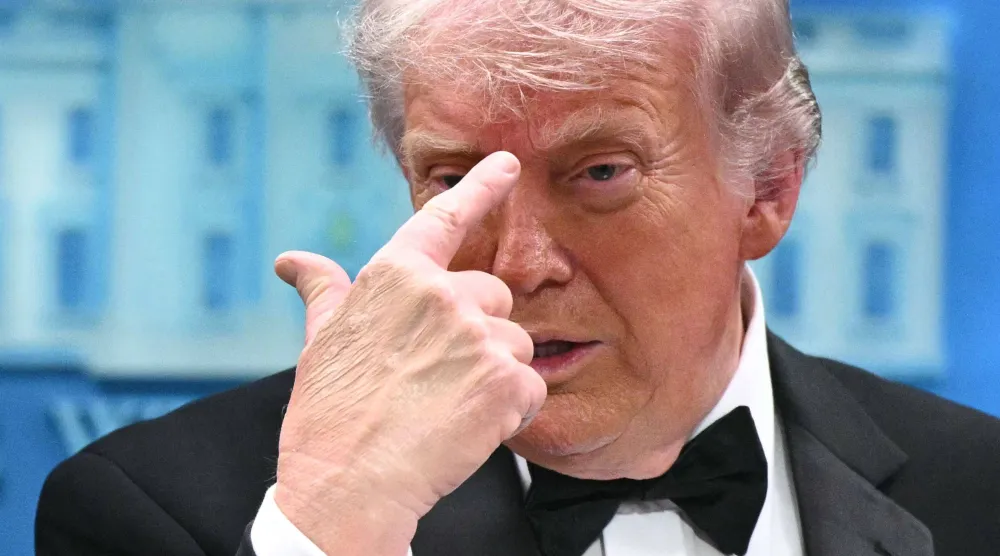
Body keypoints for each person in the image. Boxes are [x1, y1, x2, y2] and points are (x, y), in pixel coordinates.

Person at [35, 1, 1000, 555]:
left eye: (600, 173)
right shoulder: (151, 510)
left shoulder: (979, 489)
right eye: (456, 180)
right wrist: (332, 526)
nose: (518, 263)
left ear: (767, 192)